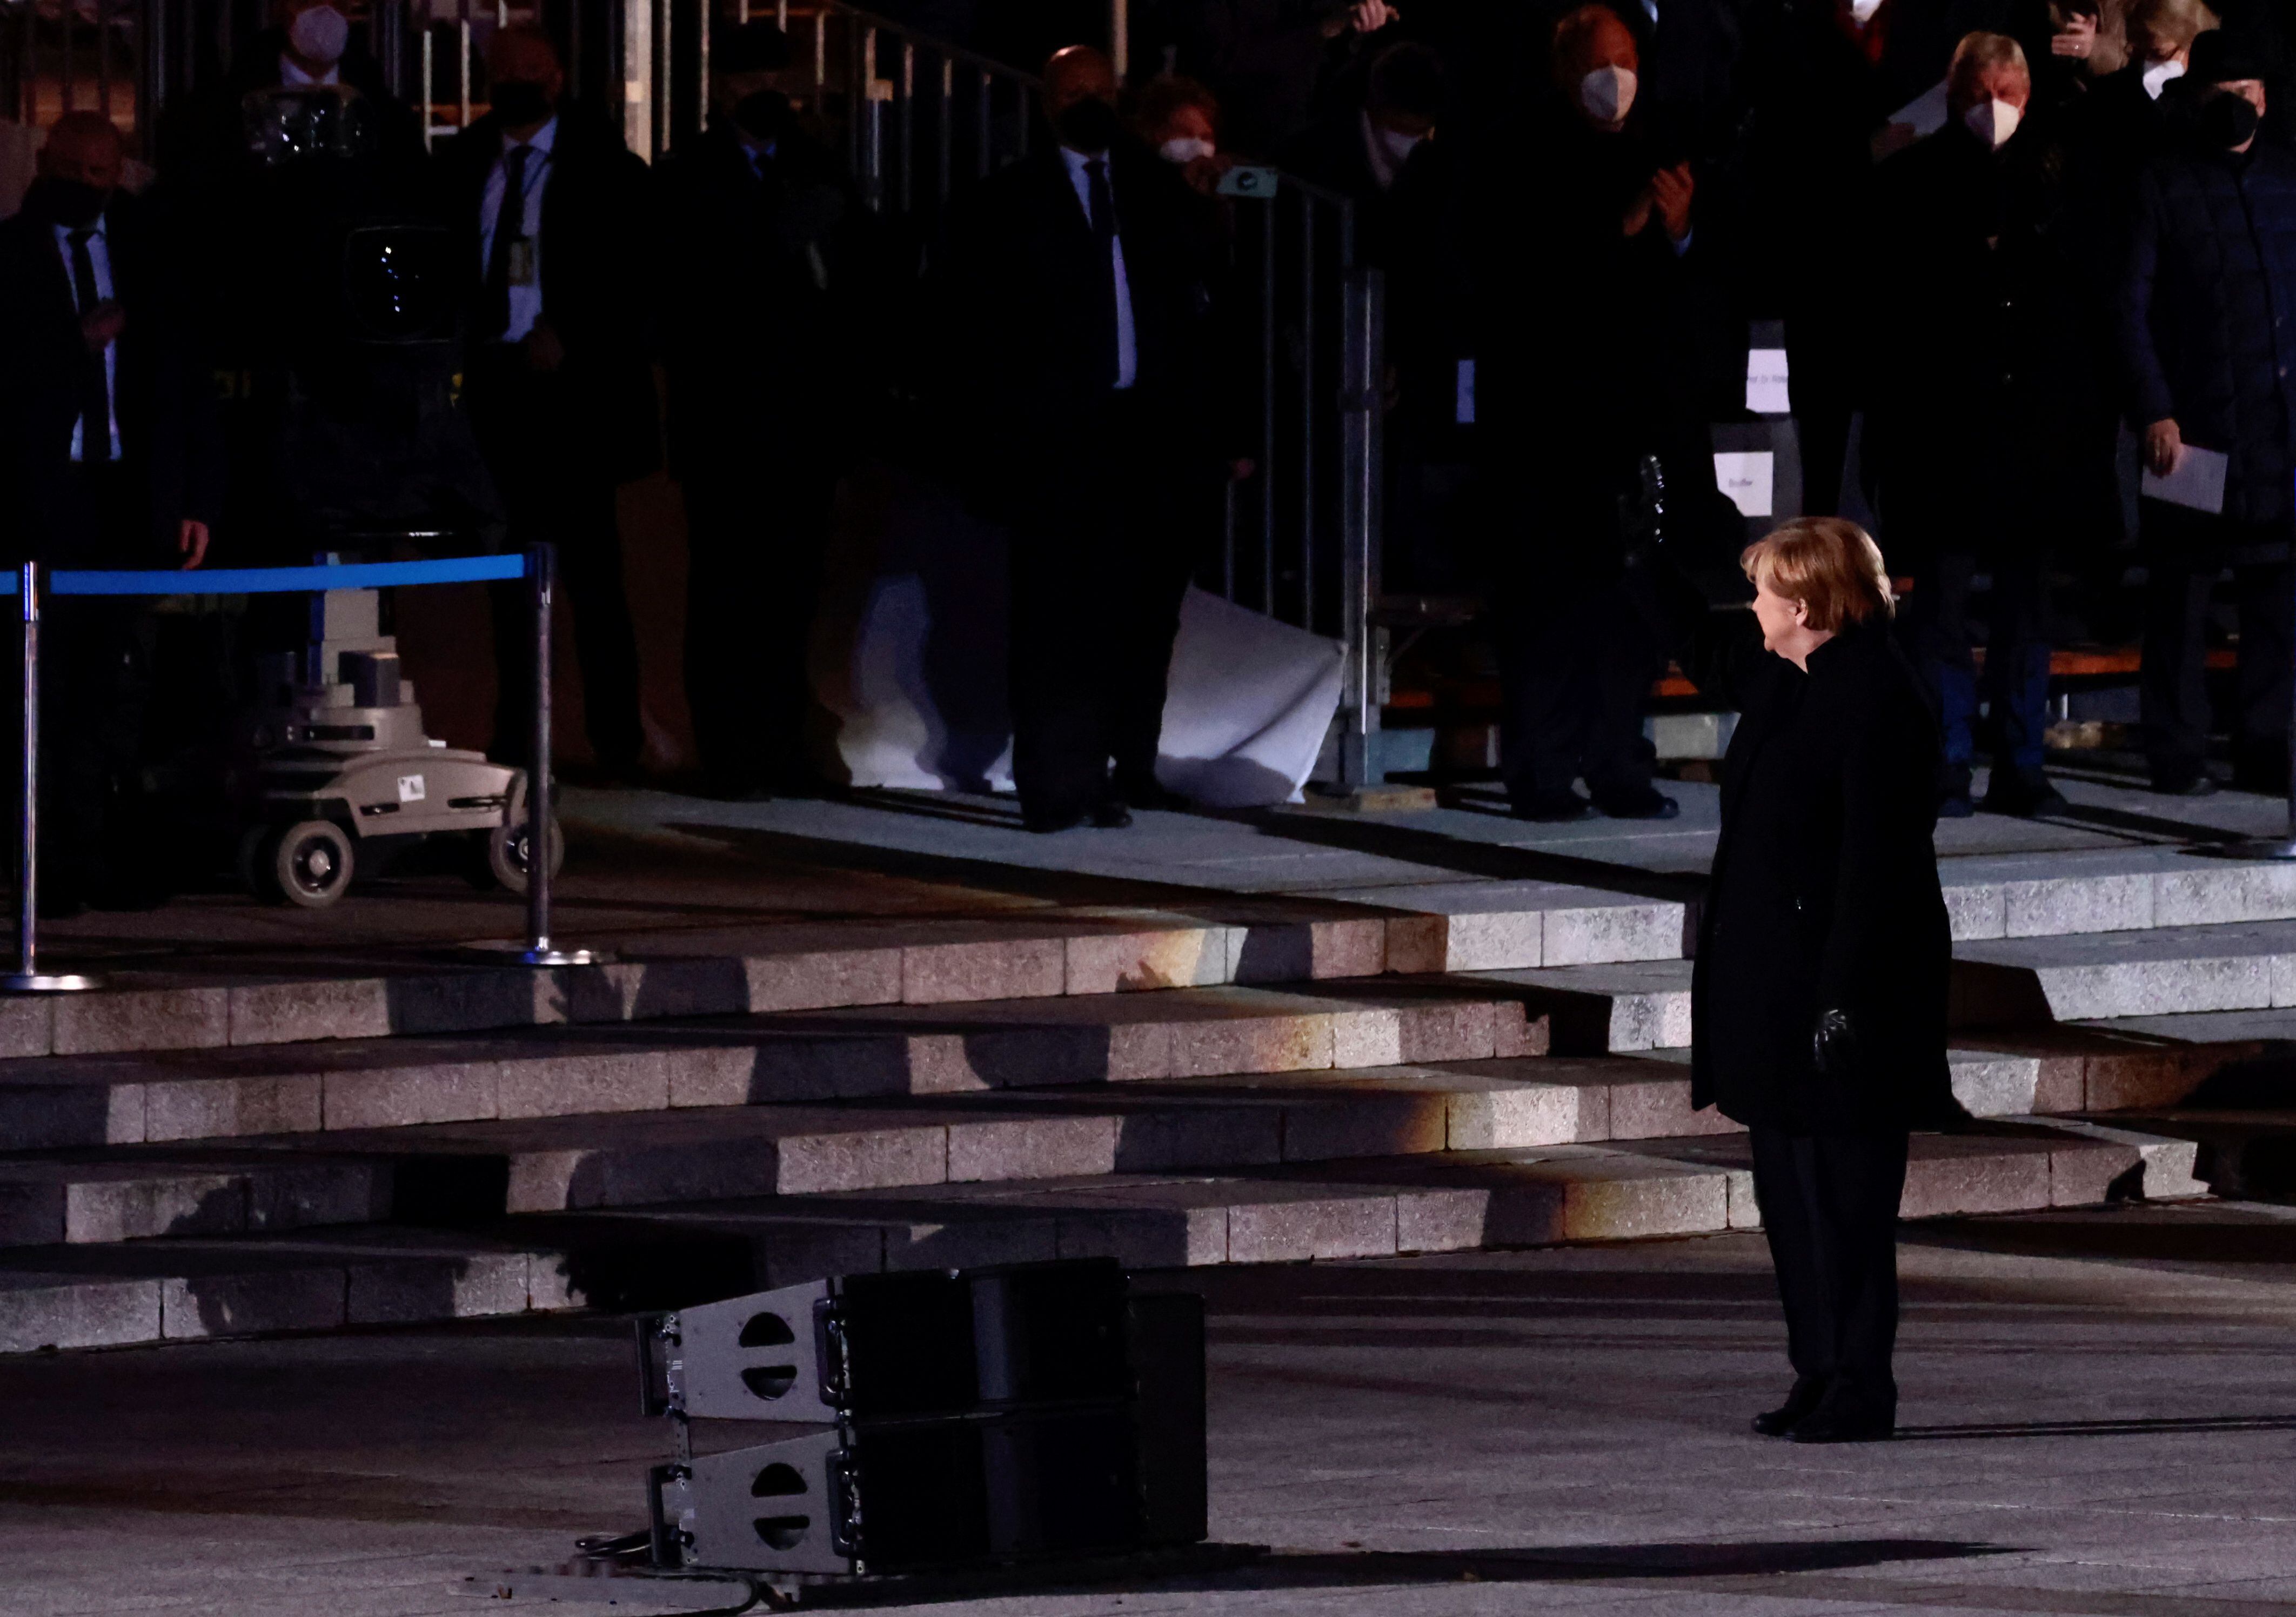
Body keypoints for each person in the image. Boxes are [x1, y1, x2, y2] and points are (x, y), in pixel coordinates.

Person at [1687, 518, 1953, 1445]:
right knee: (1788, 1196)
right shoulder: (1786, 678)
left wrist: (1843, 997)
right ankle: (1818, 1367)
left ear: (1802, 607)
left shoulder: (1878, 698)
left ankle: (1860, 1381)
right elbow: (1701, 650)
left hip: (1844, 993)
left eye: (1761, 593)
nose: (1750, 608)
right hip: (1771, 989)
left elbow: (1877, 869)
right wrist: (1645, 556)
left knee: (1846, 1201)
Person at [932, 45, 1229, 832]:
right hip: (1056, 439)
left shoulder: (1149, 192)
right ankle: (1052, 781)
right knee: (1052, 617)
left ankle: (1102, 771)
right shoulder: (1010, 201)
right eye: (1073, 92)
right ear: (1047, 102)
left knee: (1121, 615)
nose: (1087, 103)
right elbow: (979, 329)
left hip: (1138, 434)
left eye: (1101, 90)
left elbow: (1199, 292)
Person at [1475, 2, 1714, 823]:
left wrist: (1679, 232)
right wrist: (1616, 233)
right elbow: (1516, 286)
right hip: (1550, 428)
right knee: (1547, 608)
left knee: (1630, 610)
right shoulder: (1516, 151)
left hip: (1641, 426)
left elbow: (1699, 281)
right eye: (1595, 63)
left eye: (1626, 61)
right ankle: (1541, 771)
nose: (1614, 81)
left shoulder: (1659, 145)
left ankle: (1617, 762)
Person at [1868, 32, 2093, 818]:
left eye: (2006, 90)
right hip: (1944, 438)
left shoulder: (2063, 181)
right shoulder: (1908, 183)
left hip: (2033, 440)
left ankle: (2023, 762)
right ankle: (1946, 760)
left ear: (2028, 96)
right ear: (1951, 92)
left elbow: (2078, 313)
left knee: (2026, 613)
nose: (1992, 107)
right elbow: (1890, 321)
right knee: (1939, 610)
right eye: (1977, 91)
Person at [0, 113, 220, 913]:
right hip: (48, 500)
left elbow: (186, 382)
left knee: (118, 687)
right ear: (47, 165)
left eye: (103, 174)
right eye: (74, 171)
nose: (89, 188)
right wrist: (76, 344)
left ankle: (96, 848)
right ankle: (38, 859)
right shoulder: (13, 256)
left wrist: (196, 498)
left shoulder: (147, 250)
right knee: (43, 688)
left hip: (131, 498)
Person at [658, 21, 878, 799]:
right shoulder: (691, 173)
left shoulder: (816, 169)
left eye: (775, 79)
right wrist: (770, 242)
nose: (765, 94)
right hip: (727, 423)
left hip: (803, 423)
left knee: (793, 593)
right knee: (727, 592)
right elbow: (689, 293)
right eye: (750, 81)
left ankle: (784, 746)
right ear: (722, 89)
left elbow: (852, 289)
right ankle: (730, 751)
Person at [439, 24, 657, 780]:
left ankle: (615, 738)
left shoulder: (606, 167)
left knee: (594, 579)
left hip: (576, 400)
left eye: (533, 71)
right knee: (509, 577)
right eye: (506, 70)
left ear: (558, 78)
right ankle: (516, 734)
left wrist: (572, 332)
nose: (519, 82)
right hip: (495, 396)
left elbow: (633, 276)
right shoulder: (464, 163)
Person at [2117, 30, 2296, 796]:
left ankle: (2264, 745)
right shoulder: (2158, 185)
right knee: (2179, 599)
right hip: (2188, 437)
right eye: (2221, 96)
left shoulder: (2288, 179)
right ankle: (2176, 750)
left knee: (2276, 600)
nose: (2236, 107)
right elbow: (2128, 307)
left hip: (2278, 429)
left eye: (2247, 94)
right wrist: (2154, 409)